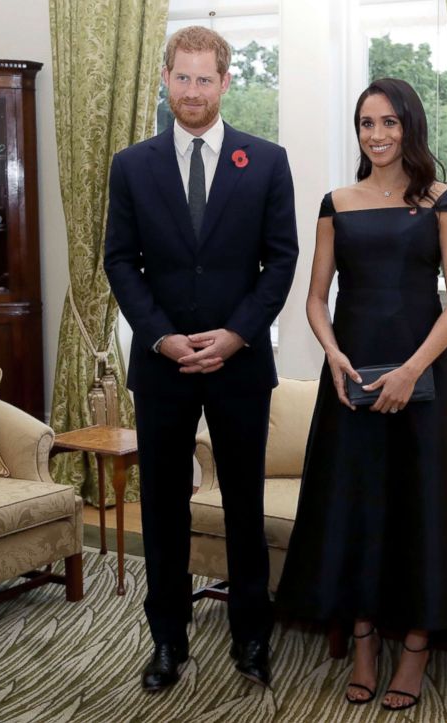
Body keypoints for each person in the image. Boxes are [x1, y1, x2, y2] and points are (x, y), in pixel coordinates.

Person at [275, 78, 447, 712]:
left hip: (426, 381)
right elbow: (317, 298)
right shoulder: (336, 202)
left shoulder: (442, 200)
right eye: (367, 123)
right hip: (351, 382)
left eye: (389, 123)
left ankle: (417, 649)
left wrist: (408, 371)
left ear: (410, 128)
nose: (377, 135)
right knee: (359, 510)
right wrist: (336, 358)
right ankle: (365, 642)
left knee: (421, 511)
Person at [104, 26, 298, 692]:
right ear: (164, 78)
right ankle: (167, 641)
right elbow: (119, 262)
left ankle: (250, 638)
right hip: (162, 366)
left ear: (225, 81)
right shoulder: (131, 165)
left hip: (240, 365)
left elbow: (282, 261)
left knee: (244, 504)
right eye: (181, 78)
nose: (192, 91)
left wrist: (237, 334)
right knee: (163, 508)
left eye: (204, 78)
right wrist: (159, 335)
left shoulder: (266, 161)